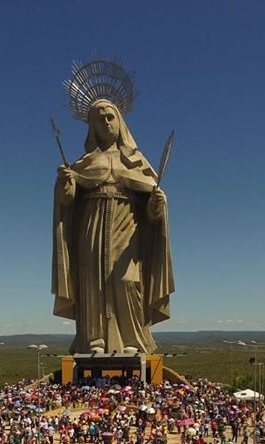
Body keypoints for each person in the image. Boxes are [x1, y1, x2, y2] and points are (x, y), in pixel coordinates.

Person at [52, 98, 174, 355]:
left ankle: (133, 340)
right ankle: (93, 340)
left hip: (128, 224)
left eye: (110, 117)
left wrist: (156, 205)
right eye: (100, 119)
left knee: (128, 280)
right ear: (92, 127)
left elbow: (152, 213)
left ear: (120, 120)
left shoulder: (137, 161)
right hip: (92, 224)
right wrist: (65, 183)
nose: (106, 123)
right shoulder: (84, 163)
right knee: (93, 282)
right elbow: (67, 201)